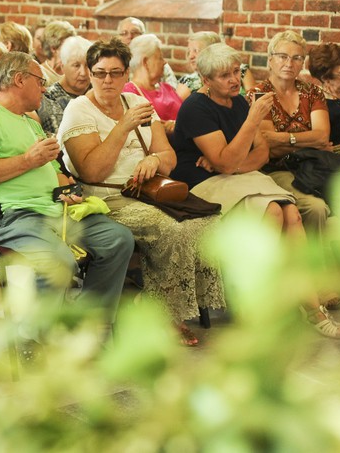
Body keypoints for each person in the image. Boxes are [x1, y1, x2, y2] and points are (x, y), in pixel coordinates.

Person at [170, 43, 340, 338]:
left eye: (236, 73)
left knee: (293, 214)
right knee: (273, 212)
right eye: (224, 75)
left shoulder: (238, 102)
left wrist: (233, 163)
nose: (234, 80)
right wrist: (250, 126)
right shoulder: (195, 108)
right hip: (201, 183)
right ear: (206, 80)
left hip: (239, 176)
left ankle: (311, 305)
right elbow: (224, 162)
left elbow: (260, 154)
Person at [0, 51, 134, 340]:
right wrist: (28, 160)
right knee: (59, 262)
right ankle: (33, 339)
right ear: (19, 80)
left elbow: (56, 171)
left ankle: (87, 327)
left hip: (54, 212)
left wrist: (69, 189)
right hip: (11, 218)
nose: (44, 88)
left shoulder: (31, 122)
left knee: (118, 239)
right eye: (40, 81)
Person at [59, 39, 223, 346]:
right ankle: (165, 317)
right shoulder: (78, 109)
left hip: (150, 192)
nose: (107, 80)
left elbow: (169, 159)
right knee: (169, 230)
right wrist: (122, 127)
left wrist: (154, 159)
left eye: (115, 73)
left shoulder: (136, 104)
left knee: (205, 223)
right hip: (108, 199)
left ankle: (158, 304)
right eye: (99, 72)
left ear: (125, 75)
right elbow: (92, 171)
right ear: (90, 73)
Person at [247, 31, 331, 235]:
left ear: (302, 63)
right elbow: (267, 145)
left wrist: (284, 138)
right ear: (270, 60)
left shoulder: (313, 92)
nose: (289, 63)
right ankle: (311, 265)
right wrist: (307, 140)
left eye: (296, 58)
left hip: (313, 165)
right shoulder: (258, 95)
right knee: (316, 207)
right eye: (282, 56)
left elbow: (322, 137)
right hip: (275, 169)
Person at [124, 34, 183, 135]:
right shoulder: (129, 92)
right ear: (145, 62)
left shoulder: (167, 88)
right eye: (160, 58)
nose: (165, 62)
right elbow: (140, 128)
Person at [38, 36, 92, 135]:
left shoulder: (97, 90)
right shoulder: (49, 97)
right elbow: (63, 137)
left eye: (88, 65)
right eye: (76, 65)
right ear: (63, 67)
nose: (83, 73)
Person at [117, 17, 178, 88]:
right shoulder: (114, 62)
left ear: (143, 35)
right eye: (124, 33)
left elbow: (172, 88)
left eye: (135, 32)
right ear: (119, 37)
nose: (130, 36)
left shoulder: (158, 63)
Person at [38, 20, 77, 86]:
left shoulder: (74, 70)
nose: (73, 48)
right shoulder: (40, 74)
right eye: (68, 44)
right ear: (53, 48)